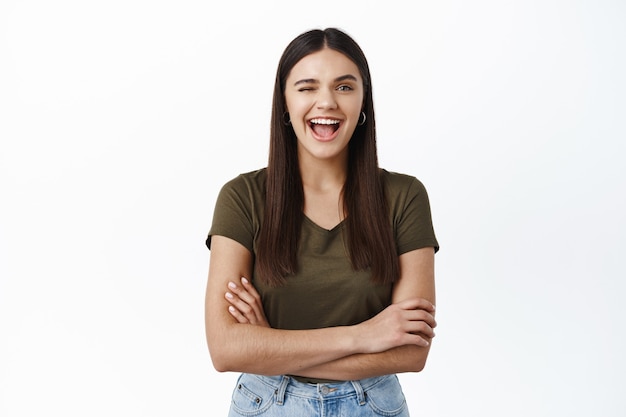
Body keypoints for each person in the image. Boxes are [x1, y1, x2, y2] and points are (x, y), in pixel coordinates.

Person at [204, 27, 439, 417]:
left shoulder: (405, 196)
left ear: (364, 100)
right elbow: (225, 349)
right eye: (307, 87)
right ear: (284, 101)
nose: (326, 102)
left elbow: (412, 352)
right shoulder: (242, 197)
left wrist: (269, 345)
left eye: (344, 87)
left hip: (372, 405)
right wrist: (365, 335)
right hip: (267, 404)